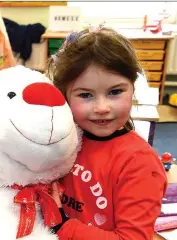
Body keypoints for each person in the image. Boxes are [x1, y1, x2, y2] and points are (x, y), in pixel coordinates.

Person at [47, 26, 168, 239]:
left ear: (132, 88)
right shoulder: (65, 140)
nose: (102, 107)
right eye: (85, 95)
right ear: (65, 96)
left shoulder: (139, 163)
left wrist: (62, 226)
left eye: (115, 92)